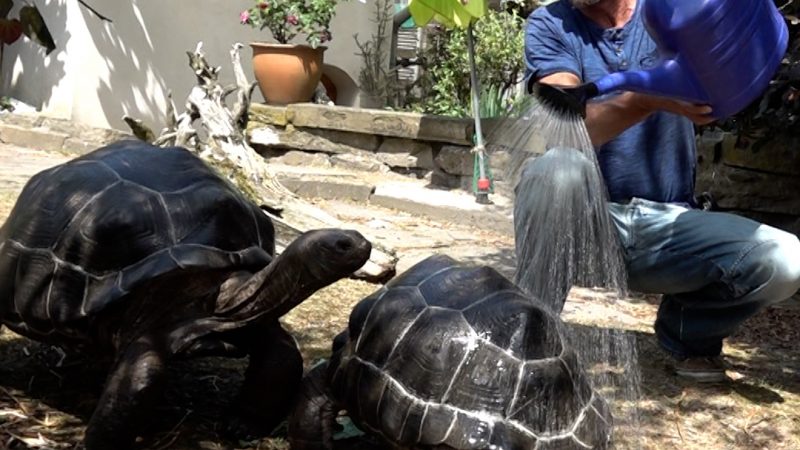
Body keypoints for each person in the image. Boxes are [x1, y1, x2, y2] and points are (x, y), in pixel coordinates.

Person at [521, 0, 800, 382]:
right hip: (586, 224)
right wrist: (646, 100)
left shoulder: (674, 10)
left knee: (787, 259)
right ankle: (528, 338)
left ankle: (688, 336)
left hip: (669, 230)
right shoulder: (550, 23)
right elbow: (565, 128)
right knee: (558, 169)